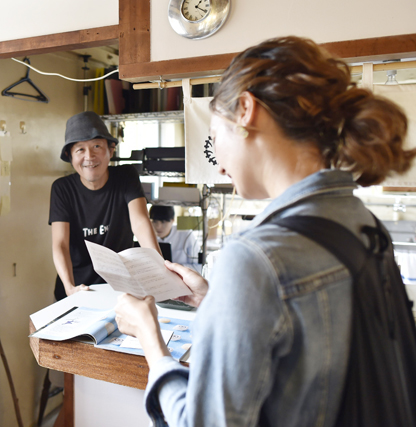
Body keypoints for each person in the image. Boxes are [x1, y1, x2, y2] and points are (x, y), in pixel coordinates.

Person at [114, 36, 415, 427]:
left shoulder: (259, 257)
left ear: (245, 111)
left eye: (215, 136)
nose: (218, 163)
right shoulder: (362, 222)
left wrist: (149, 339)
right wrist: (213, 299)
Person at [49, 111, 160, 300]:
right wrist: (69, 287)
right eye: (80, 150)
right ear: (70, 156)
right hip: (78, 287)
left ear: (111, 150)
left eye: (97, 146)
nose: (89, 156)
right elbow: (60, 244)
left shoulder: (126, 176)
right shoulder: (62, 189)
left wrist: (160, 270)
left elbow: (140, 223)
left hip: (120, 287)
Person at [149, 205, 201, 272]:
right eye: (155, 221)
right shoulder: (147, 236)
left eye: (163, 222)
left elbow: (198, 267)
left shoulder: (186, 235)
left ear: (172, 220)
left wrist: (174, 267)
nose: (158, 226)